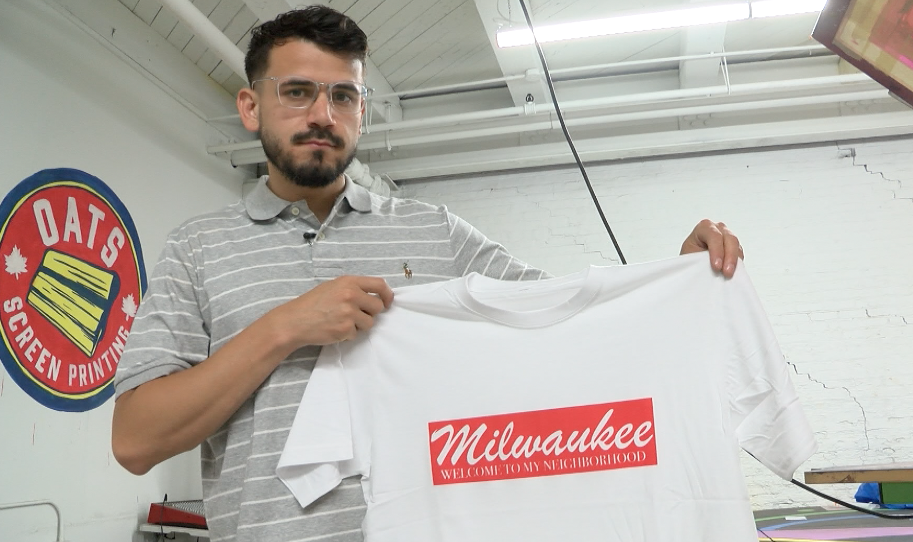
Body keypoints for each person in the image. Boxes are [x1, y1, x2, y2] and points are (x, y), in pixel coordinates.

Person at [111, 6, 743, 542]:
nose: (322, 115)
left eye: (343, 95)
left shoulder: (435, 232)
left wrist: (674, 281)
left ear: (362, 109)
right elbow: (135, 440)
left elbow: (563, 321)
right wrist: (285, 328)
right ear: (251, 107)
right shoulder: (197, 248)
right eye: (297, 91)